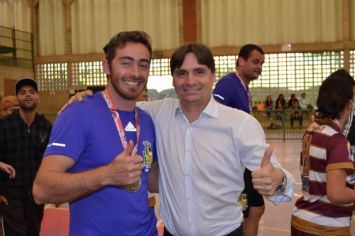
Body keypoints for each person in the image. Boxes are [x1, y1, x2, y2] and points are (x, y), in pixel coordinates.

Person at [66, 42, 295, 236]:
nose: (190, 81)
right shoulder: (155, 113)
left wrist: (277, 179)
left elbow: (282, 183)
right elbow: (115, 103)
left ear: (212, 75)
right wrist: (87, 98)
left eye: (199, 71)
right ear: (173, 79)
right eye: (181, 73)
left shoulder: (240, 124)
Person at [33, 31, 158, 236]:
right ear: (106, 66)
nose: (136, 72)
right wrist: (107, 175)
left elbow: (150, 178)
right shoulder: (79, 112)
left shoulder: (146, 119)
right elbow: (41, 190)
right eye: (126, 63)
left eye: (143, 64)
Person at [291, 69, 355, 236]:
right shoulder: (337, 140)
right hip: (327, 225)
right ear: (349, 104)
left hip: (301, 218)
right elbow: (336, 194)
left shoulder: (311, 130)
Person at [212, 44, 267, 236]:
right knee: (248, 211)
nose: (259, 66)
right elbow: (213, 117)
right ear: (241, 61)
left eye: (261, 63)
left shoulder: (243, 87)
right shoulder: (228, 85)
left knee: (255, 209)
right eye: (255, 61)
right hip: (233, 163)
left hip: (244, 162)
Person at [0, 78, 52, 236]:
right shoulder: (4, 125)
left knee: (33, 232)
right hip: (10, 193)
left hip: (36, 193)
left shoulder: (46, 126)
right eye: (22, 93)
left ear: (38, 97)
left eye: (32, 92)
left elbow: (52, 159)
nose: (27, 95)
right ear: (17, 98)